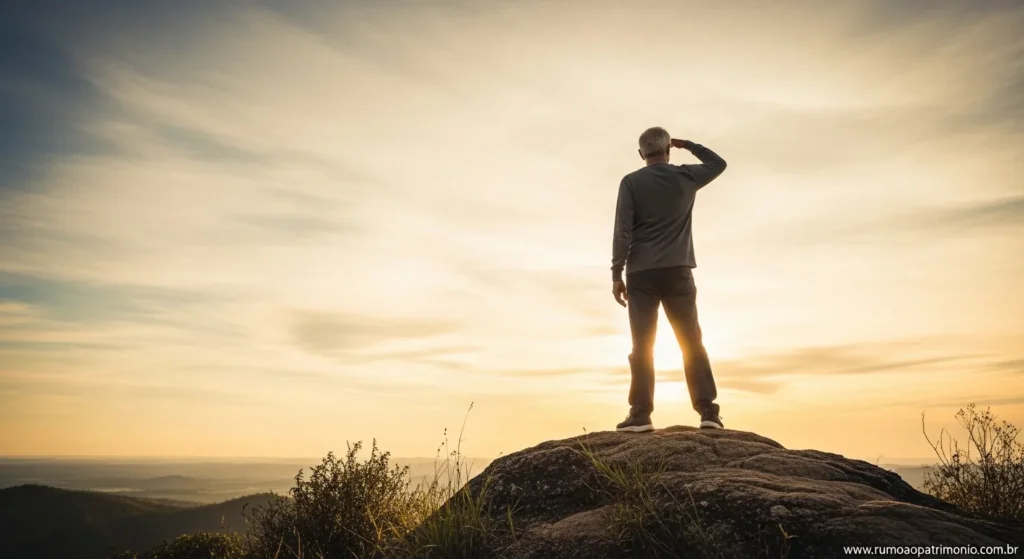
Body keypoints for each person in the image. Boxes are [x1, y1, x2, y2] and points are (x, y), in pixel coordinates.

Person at [610, 126, 728, 433]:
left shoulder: (631, 182)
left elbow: (622, 231)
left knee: (642, 344)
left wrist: (616, 274)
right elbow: (718, 163)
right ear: (669, 149)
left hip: (640, 274)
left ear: (640, 154)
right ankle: (707, 412)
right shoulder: (686, 176)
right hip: (678, 271)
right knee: (691, 341)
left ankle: (640, 414)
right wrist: (688, 144)